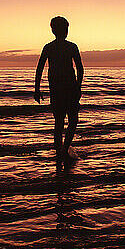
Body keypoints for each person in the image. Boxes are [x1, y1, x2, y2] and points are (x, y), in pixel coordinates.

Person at [34, 16, 84, 169]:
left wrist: (37, 88)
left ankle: (61, 151)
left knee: (59, 122)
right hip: (67, 88)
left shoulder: (50, 47)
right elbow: (80, 69)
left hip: (59, 89)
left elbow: (39, 69)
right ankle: (63, 149)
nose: (66, 31)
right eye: (65, 29)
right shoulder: (70, 47)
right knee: (71, 120)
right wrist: (78, 86)